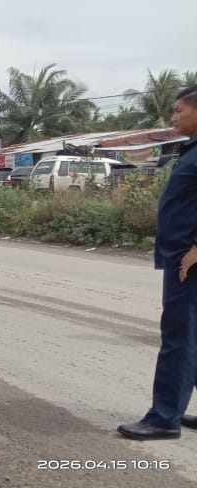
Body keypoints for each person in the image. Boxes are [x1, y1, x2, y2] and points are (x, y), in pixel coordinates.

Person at [118, 86, 197, 440]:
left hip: (189, 260)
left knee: (179, 337)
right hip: (183, 255)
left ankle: (164, 418)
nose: (173, 116)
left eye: (179, 110)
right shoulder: (190, 149)